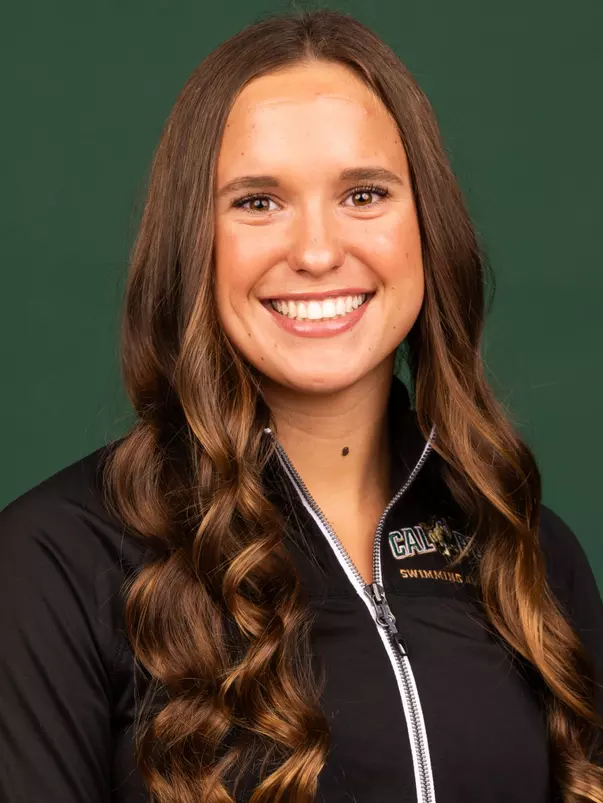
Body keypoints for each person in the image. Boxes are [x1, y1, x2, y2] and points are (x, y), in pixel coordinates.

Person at [0, 8, 601, 803]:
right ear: (194, 242)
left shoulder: (524, 553)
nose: (317, 251)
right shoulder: (55, 561)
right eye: (257, 202)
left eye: (363, 193)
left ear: (426, 226)